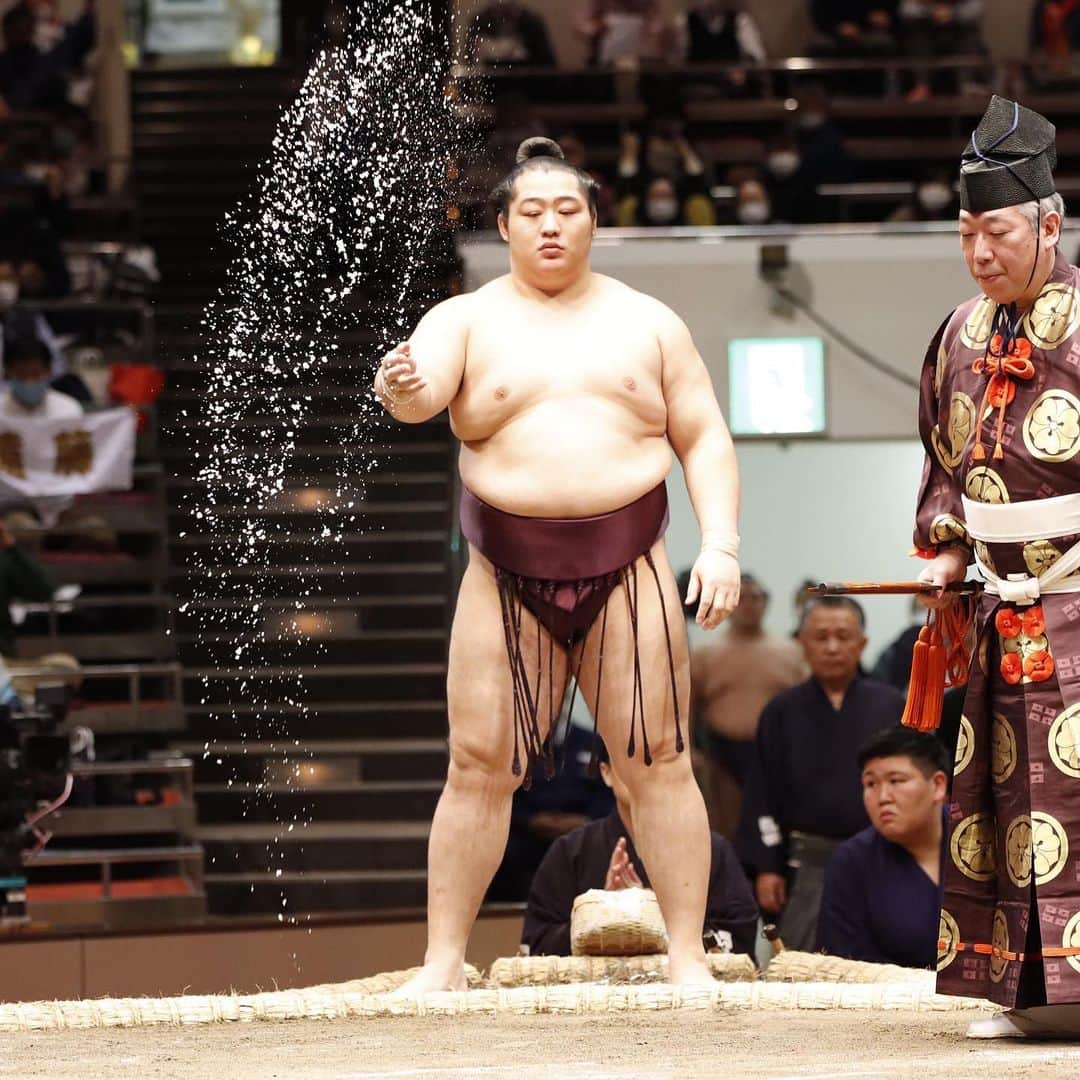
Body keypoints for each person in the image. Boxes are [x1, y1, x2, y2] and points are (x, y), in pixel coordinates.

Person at [374, 136, 741, 994]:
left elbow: (703, 436)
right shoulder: (464, 319)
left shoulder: (648, 321)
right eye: (532, 212)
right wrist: (402, 393)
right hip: (503, 570)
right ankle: (442, 962)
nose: (550, 226)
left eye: (567, 210)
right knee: (476, 764)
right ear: (503, 225)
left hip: (632, 564)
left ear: (593, 222)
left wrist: (720, 542)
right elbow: (423, 391)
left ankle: (688, 954)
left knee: (659, 760)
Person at [913, 95, 1080, 1038]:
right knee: (1000, 796)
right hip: (996, 606)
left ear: (1049, 223)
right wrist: (943, 549)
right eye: (967, 232)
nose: (980, 253)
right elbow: (942, 461)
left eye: (999, 231)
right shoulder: (958, 335)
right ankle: (1018, 991)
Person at [735, 596, 905, 950]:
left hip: (884, 855)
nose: (832, 647)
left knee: (888, 961)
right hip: (806, 863)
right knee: (803, 966)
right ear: (801, 643)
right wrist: (767, 866)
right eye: (821, 636)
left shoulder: (892, 706)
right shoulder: (781, 711)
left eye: (843, 636)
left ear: (863, 644)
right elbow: (761, 791)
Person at [522, 739, 758, 957]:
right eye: (627, 761)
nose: (641, 773)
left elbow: (739, 939)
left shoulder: (711, 849)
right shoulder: (571, 851)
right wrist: (601, 917)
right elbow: (538, 945)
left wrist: (649, 915)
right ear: (606, 773)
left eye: (651, 760)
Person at [816, 727, 948, 967]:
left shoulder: (980, 840)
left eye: (896, 781)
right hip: (893, 1000)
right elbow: (843, 965)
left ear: (937, 785)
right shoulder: (851, 862)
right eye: (871, 784)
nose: (883, 796)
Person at [691, 573, 806, 838]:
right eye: (742, 598)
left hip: (775, 754)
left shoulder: (792, 652)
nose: (749, 604)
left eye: (756, 597)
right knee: (724, 828)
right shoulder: (705, 654)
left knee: (772, 830)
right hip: (719, 754)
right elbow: (687, 707)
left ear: (766, 603)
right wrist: (689, 752)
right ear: (729, 603)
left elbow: (805, 705)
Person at [488, 689, 615, 902]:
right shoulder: (515, 746)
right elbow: (507, 798)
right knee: (501, 851)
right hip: (530, 837)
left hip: (585, 835)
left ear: (565, 699)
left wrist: (584, 823)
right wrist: (534, 822)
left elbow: (607, 794)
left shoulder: (592, 742)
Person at [898, 1, 986, 103]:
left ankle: (966, 84)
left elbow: (976, 10)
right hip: (927, 31)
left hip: (959, 31)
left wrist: (952, 13)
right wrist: (932, 12)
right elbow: (907, 10)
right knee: (917, 36)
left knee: (970, 35)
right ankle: (922, 85)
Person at [464, 2, 557, 68]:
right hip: (487, 90)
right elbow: (468, 66)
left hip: (525, 91)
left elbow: (548, 68)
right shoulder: (479, 23)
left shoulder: (533, 23)